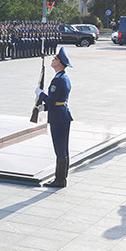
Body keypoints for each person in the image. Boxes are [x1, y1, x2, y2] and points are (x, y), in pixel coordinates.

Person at [36, 46, 73, 188]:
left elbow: (51, 100)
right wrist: (43, 107)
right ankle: (62, 178)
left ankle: (59, 180)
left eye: (54, 59)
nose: (52, 60)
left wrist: (40, 94)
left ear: (59, 63)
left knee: (60, 148)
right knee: (63, 148)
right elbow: (57, 100)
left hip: (58, 118)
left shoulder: (58, 80)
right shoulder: (63, 77)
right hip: (62, 114)